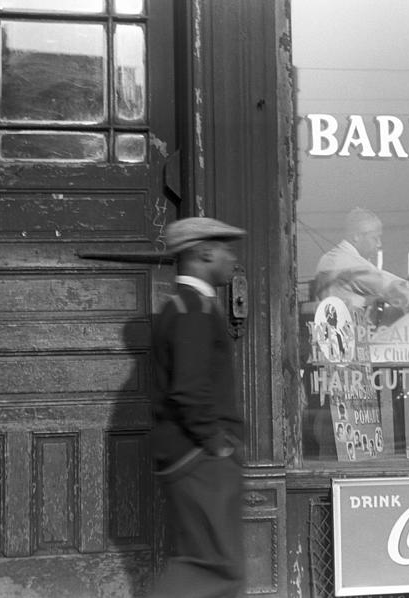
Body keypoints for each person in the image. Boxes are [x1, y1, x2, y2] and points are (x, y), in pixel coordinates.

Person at [150, 216, 247, 598]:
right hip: (199, 457)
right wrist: (216, 444)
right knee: (215, 568)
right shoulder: (193, 310)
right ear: (204, 252)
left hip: (192, 454)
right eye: (225, 248)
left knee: (214, 564)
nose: (232, 258)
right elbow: (188, 391)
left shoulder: (185, 306)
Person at [314, 207, 409, 321]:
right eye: (375, 238)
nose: (379, 244)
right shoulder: (349, 263)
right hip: (347, 334)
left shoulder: (330, 257)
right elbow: (396, 288)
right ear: (356, 236)